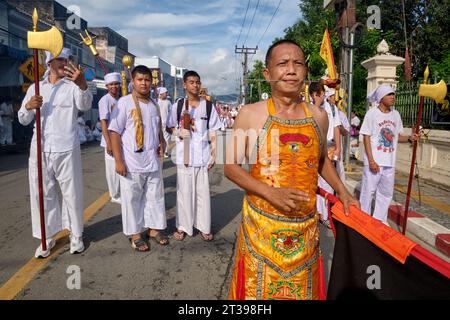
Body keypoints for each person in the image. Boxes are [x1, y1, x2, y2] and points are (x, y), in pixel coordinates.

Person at [224, 40, 358, 300]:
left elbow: (320, 160)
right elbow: (230, 166)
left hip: (305, 231)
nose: (291, 70)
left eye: (298, 63)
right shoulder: (249, 114)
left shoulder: (319, 116)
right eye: (282, 64)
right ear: (267, 74)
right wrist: (270, 193)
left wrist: (342, 190)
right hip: (261, 230)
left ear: (305, 72)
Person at [18, 47, 92, 258]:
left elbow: (85, 105)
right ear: (49, 62)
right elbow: (23, 119)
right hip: (40, 149)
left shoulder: (72, 86)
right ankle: (46, 236)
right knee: (42, 193)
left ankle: (76, 235)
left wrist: (82, 84)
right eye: (59, 60)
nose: (64, 63)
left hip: (67, 147)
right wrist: (29, 106)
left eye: (67, 60)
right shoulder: (35, 88)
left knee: (72, 193)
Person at [109, 65, 168, 252]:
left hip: (152, 159)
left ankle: (153, 229)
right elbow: (115, 132)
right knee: (132, 199)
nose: (144, 83)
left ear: (152, 82)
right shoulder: (124, 103)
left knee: (155, 196)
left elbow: (157, 128)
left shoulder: (154, 104)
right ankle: (135, 234)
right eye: (140, 79)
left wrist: (162, 141)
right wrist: (119, 161)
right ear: (133, 82)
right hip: (132, 161)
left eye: (147, 80)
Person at [166, 70, 222, 242]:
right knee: (184, 194)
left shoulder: (208, 106)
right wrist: (177, 132)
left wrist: (214, 152)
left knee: (203, 194)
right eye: (191, 82)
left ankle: (204, 227)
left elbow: (213, 130)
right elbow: (169, 126)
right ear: (184, 84)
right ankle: (183, 226)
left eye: (197, 82)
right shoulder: (178, 106)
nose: (195, 85)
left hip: (203, 157)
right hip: (184, 157)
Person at [359, 84, 418, 224]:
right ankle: (363, 220)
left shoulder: (395, 114)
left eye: (393, 94)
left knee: (386, 193)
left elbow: (397, 137)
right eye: (389, 94)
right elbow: (366, 137)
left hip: (389, 162)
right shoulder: (372, 114)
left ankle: (379, 220)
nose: (393, 97)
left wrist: (410, 138)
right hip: (375, 162)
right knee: (368, 192)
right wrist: (371, 161)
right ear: (381, 98)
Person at [315, 88, 341, 227]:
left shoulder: (332, 108)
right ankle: (319, 212)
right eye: (323, 93)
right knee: (317, 183)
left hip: (329, 148)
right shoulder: (309, 107)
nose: (326, 96)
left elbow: (336, 127)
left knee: (328, 183)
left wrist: (338, 147)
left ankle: (325, 215)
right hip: (316, 146)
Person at [99, 72, 122, 203]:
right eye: (111, 84)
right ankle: (114, 194)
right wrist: (108, 143)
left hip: (119, 139)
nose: (114, 86)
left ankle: (119, 192)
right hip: (109, 140)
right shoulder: (105, 100)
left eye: (116, 84)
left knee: (119, 165)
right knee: (111, 169)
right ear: (107, 86)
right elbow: (104, 122)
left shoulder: (120, 99)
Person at [157, 86, 172, 158]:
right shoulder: (156, 102)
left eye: (166, 93)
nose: (166, 94)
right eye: (165, 93)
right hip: (158, 123)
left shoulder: (168, 102)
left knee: (167, 138)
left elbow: (171, 112)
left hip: (166, 123)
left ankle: (166, 152)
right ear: (161, 94)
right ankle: (160, 150)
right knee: (158, 137)